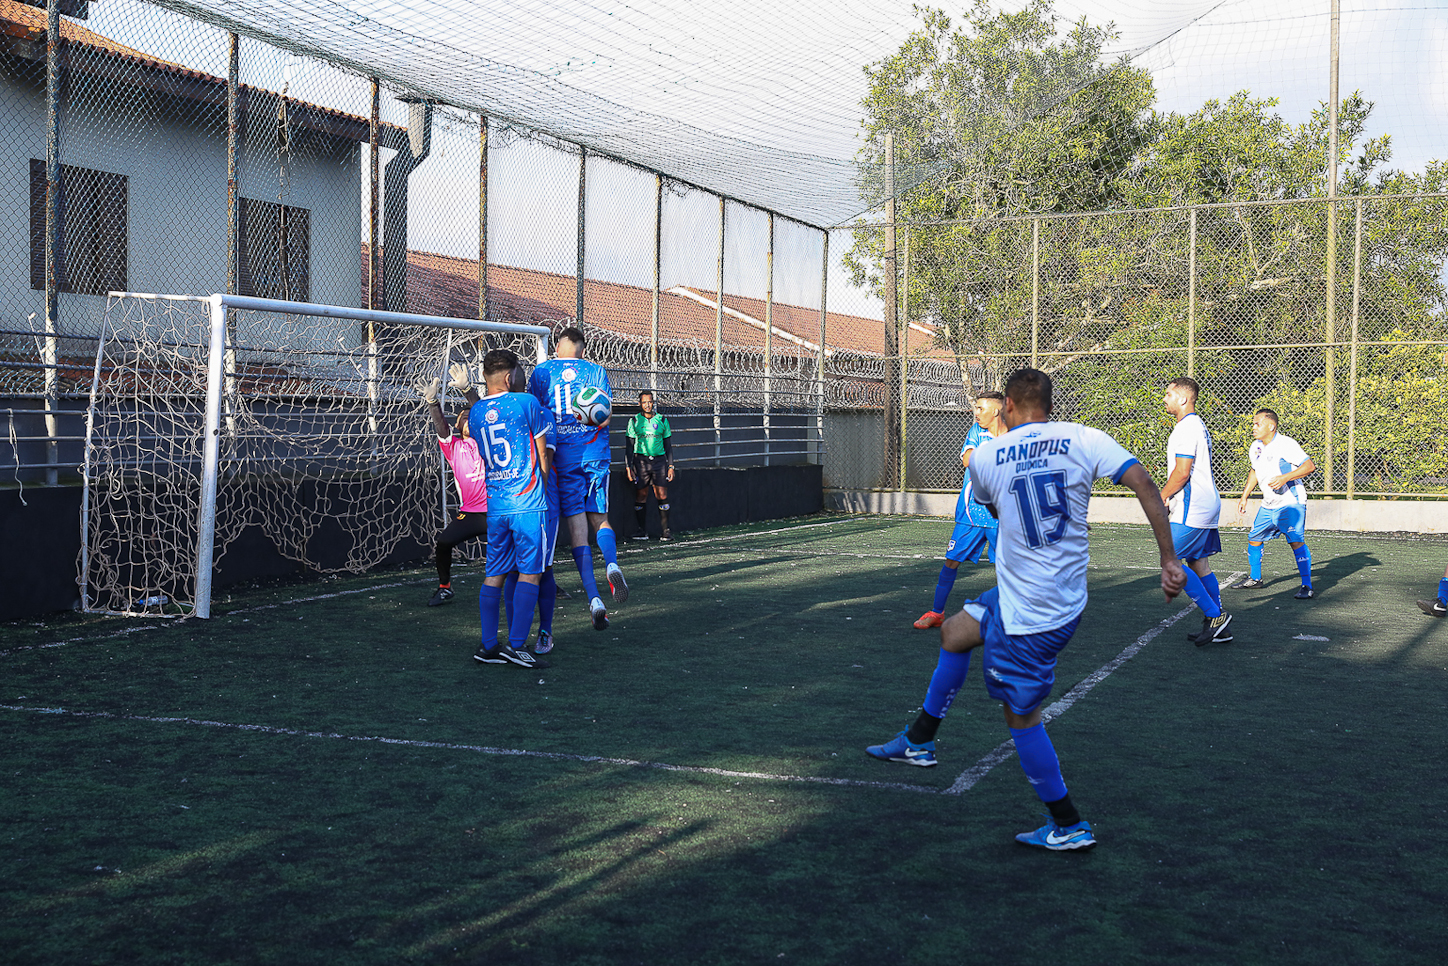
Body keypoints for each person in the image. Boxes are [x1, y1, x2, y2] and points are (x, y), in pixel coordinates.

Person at [865, 368, 1187, 852]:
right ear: (1049, 405)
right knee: (954, 632)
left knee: (1021, 717)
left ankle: (1068, 822)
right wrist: (1167, 557)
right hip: (1054, 596)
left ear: (1008, 407)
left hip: (1033, 613)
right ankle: (919, 741)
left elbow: (995, 508)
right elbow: (1142, 481)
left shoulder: (987, 456)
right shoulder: (1085, 438)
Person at [528, 326, 626, 631]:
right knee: (601, 519)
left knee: (578, 534)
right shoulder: (596, 371)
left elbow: (533, 414)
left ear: (558, 347)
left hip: (563, 459)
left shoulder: (542, 373)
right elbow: (605, 415)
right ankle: (611, 563)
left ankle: (595, 600)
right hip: (595, 454)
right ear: (582, 350)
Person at [469, 348, 551, 669]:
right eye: (519, 372)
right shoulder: (527, 403)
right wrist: (541, 485)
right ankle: (517, 647)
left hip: (497, 506)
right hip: (528, 504)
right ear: (509, 376)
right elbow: (543, 457)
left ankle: (489, 646)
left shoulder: (476, 413)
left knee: (495, 574)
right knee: (531, 574)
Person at [914, 391, 1005, 628]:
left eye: (981, 409)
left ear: (996, 411)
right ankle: (936, 613)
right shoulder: (977, 431)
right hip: (971, 513)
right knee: (951, 561)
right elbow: (967, 459)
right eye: (976, 408)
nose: (976, 413)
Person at [1160, 377, 1232, 646]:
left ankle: (1216, 616)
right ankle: (1219, 629)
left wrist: (1162, 496)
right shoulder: (1195, 424)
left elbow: (1182, 472)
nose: (1164, 398)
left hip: (1194, 508)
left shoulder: (1186, 428)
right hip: (1204, 504)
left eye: (1168, 394)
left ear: (1183, 398)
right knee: (1198, 563)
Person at [1235, 409, 1317, 599]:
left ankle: (1307, 586)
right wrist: (1244, 496)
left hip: (1290, 503)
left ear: (1271, 426)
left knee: (1296, 542)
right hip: (1268, 504)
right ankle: (1255, 579)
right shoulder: (1255, 446)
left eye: (1257, 424)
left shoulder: (1286, 444)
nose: (1253, 427)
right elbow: (1254, 471)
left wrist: (1284, 478)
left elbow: (1309, 466)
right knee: (1254, 538)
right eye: (1253, 424)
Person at [422, 364, 484, 606]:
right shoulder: (454, 447)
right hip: (470, 513)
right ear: (458, 425)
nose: (468, 421)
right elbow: (441, 428)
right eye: (464, 419)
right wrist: (432, 402)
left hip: (497, 509)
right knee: (444, 542)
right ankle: (445, 587)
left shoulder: (487, 442)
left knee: (523, 542)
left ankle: (545, 582)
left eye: (472, 418)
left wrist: (468, 390)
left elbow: (484, 412)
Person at [626, 390, 675, 541]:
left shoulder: (662, 419)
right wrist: (629, 467)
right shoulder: (634, 421)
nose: (647, 405)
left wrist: (671, 465)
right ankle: (642, 531)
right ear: (640, 404)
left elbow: (668, 445)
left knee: (662, 494)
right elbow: (629, 446)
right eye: (644, 402)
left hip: (659, 462)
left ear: (653, 403)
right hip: (641, 461)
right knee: (641, 495)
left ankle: (666, 531)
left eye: (650, 402)